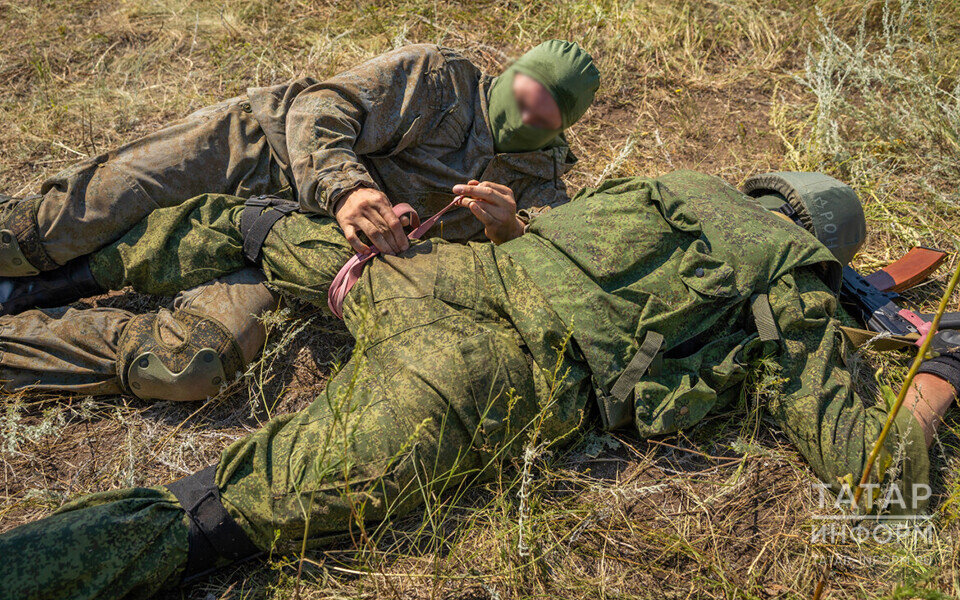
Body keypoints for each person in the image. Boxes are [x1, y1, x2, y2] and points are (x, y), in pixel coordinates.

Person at [2, 169, 956, 600]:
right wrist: (944, 364)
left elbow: (553, 245)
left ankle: (47, 280)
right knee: (213, 516)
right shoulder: (787, 289)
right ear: (821, 250)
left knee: (254, 227)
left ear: (762, 187)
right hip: (478, 381)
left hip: (425, 275)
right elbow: (879, 471)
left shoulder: (675, 183)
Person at [0, 40, 600, 400]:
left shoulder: (544, 189)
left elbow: (532, 280)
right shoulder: (439, 78)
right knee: (45, 230)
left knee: (189, 366)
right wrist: (348, 190)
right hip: (255, 153)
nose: (530, 108)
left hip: (291, 244)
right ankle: (36, 270)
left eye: (551, 107)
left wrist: (507, 232)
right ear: (514, 70)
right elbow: (322, 108)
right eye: (528, 86)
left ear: (566, 121)